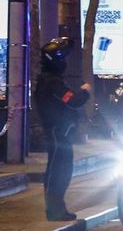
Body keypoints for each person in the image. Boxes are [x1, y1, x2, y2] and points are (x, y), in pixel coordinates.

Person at [35, 37, 90, 221]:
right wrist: (85, 92)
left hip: (59, 132)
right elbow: (72, 100)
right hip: (58, 132)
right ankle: (55, 210)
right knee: (59, 170)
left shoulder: (49, 79)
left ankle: (57, 208)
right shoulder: (51, 82)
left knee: (59, 169)